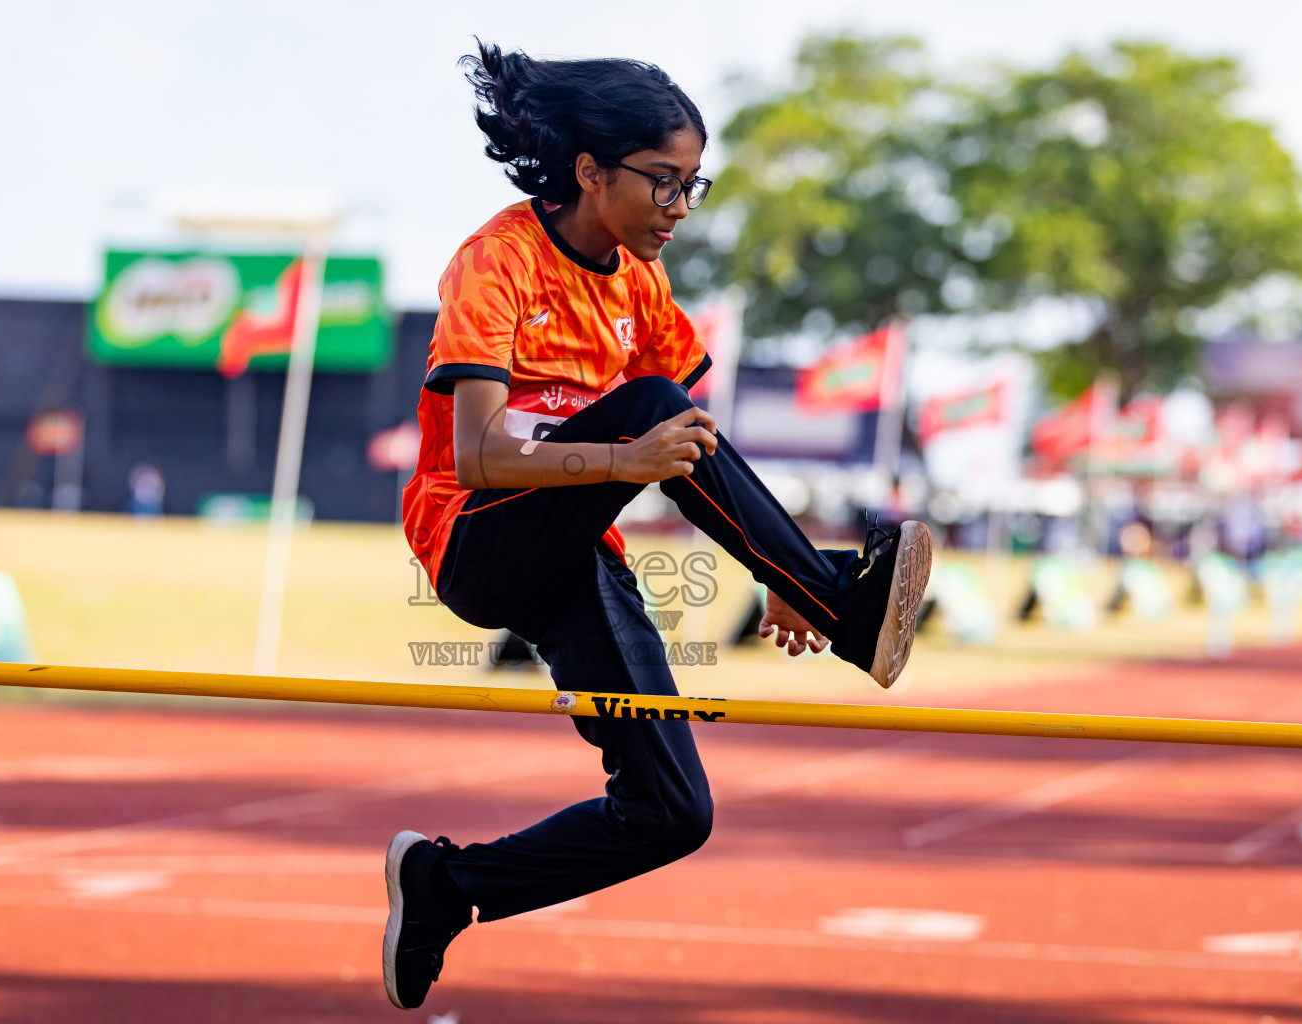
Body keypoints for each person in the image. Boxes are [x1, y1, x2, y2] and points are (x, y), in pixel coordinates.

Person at [385, 41, 932, 1010]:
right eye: (664, 184)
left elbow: (700, 451)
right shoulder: (497, 262)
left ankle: (446, 886)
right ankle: (844, 609)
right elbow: (476, 455)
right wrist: (625, 461)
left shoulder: (639, 286)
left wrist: (776, 571)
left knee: (672, 812)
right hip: (478, 538)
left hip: (575, 554)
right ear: (591, 172)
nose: (680, 208)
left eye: (693, 185)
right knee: (647, 409)